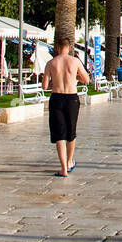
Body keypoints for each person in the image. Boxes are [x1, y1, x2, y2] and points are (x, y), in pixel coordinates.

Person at [42, 41, 88, 177]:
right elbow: (86, 79)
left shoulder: (51, 63)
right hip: (72, 98)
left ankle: (63, 168)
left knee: (59, 133)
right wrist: (75, 76)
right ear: (68, 48)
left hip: (56, 97)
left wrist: (54, 82)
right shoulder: (75, 61)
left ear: (57, 48)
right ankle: (69, 162)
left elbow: (44, 86)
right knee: (71, 131)